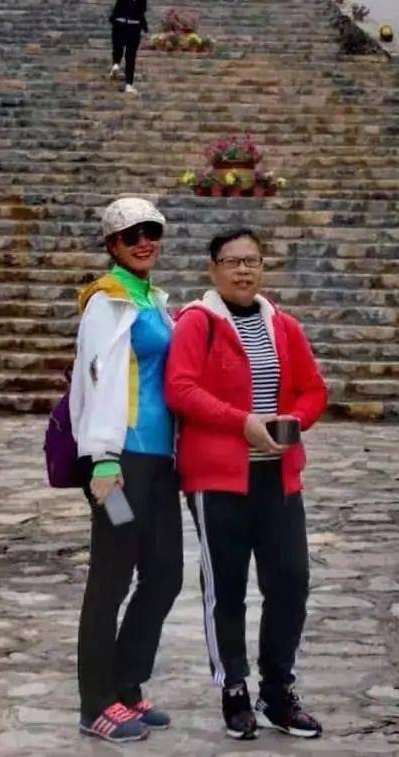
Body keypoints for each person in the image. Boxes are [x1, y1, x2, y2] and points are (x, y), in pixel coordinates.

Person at [165, 227, 328, 742]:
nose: (243, 270)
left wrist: (292, 422)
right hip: (218, 480)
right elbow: (180, 389)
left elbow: (312, 390)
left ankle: (277, 690)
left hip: (277, 477)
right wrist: (243, 423)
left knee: (290, 580)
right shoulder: (197, 322)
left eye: (252, 261)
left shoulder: (283, 325)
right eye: (232, 261)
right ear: (213, 269)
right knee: (226, 587)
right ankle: (233, 689)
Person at [72, 197, 182, 744]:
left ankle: (127, 682)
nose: (145, 241)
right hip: (120, 465)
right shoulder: (107, 301)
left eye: (152, 232)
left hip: (161, 462)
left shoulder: (155, 300)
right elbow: (98, 378)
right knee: (111, 579)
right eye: (133, 234)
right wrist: (103, 457)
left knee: (165, 574)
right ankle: (96, 703)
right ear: (112, 245)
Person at [107, 0, 148, 96]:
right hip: (134, 26)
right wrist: (145, 26)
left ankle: (116, 64)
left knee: (117, 46)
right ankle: (129, 84)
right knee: (131, 56)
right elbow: (142, 11)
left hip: (119, 23)